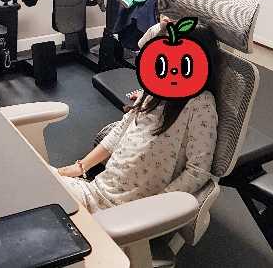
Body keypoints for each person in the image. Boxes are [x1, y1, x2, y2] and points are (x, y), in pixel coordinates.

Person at [57, 25, 219, 213]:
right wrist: (80, 167)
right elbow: (119, 131)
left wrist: (151, 211)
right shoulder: (152, 92)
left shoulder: (200, 104)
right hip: (95, 191)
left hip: (122, 211)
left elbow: (197, 171)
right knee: (36, 180)